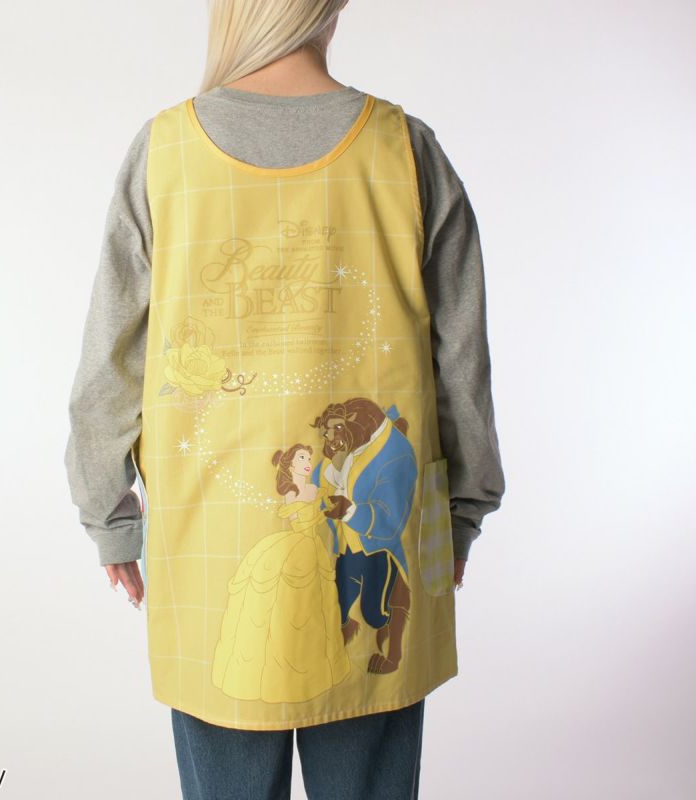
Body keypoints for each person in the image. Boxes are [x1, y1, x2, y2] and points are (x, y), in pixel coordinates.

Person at [64, 1, 505, 797]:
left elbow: (110, 363)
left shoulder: (164, 152)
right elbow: (461, 361)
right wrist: (460, 514)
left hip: (207, 544)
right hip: (383, 537)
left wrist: (109, 516)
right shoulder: (405, 150)